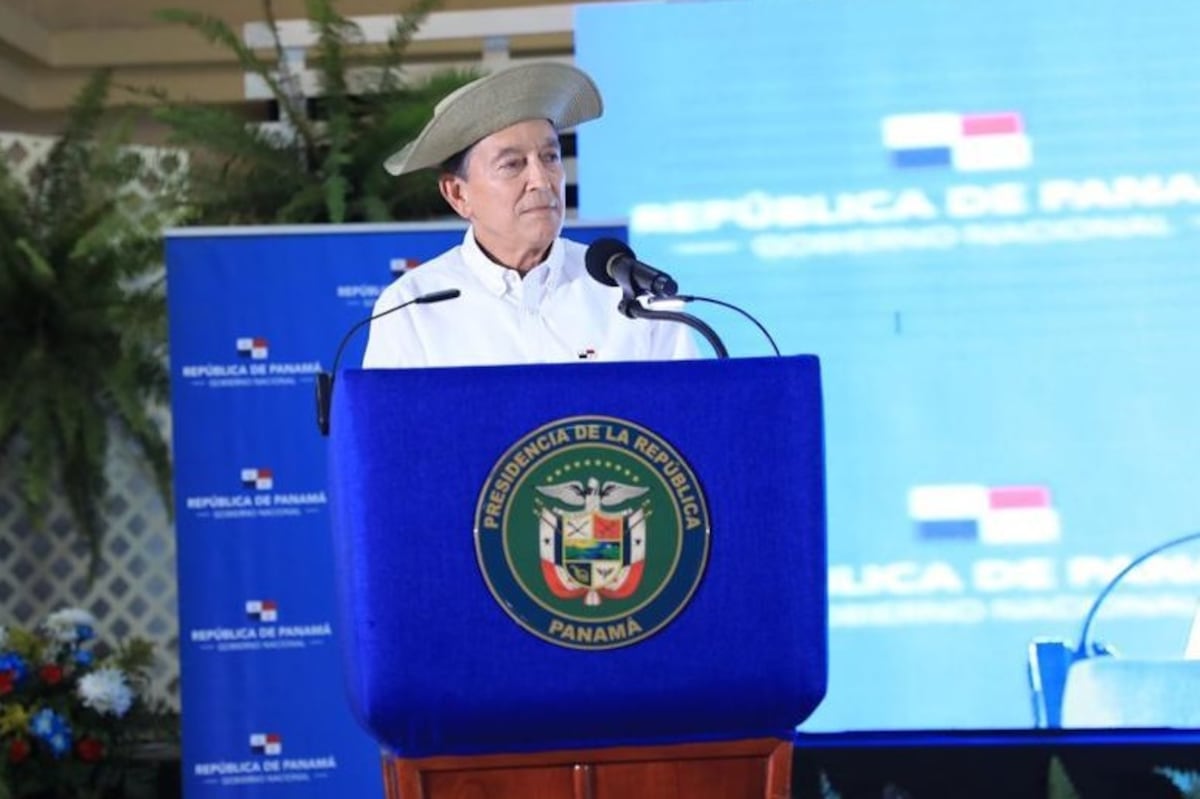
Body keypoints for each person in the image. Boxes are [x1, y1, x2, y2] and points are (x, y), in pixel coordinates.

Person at [361, 61, 697, 368]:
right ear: (458, 194)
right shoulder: (412, 306)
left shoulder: (628, 290)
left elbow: (689, 408)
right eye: (512, 164)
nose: (541, 180)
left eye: (550, 157)